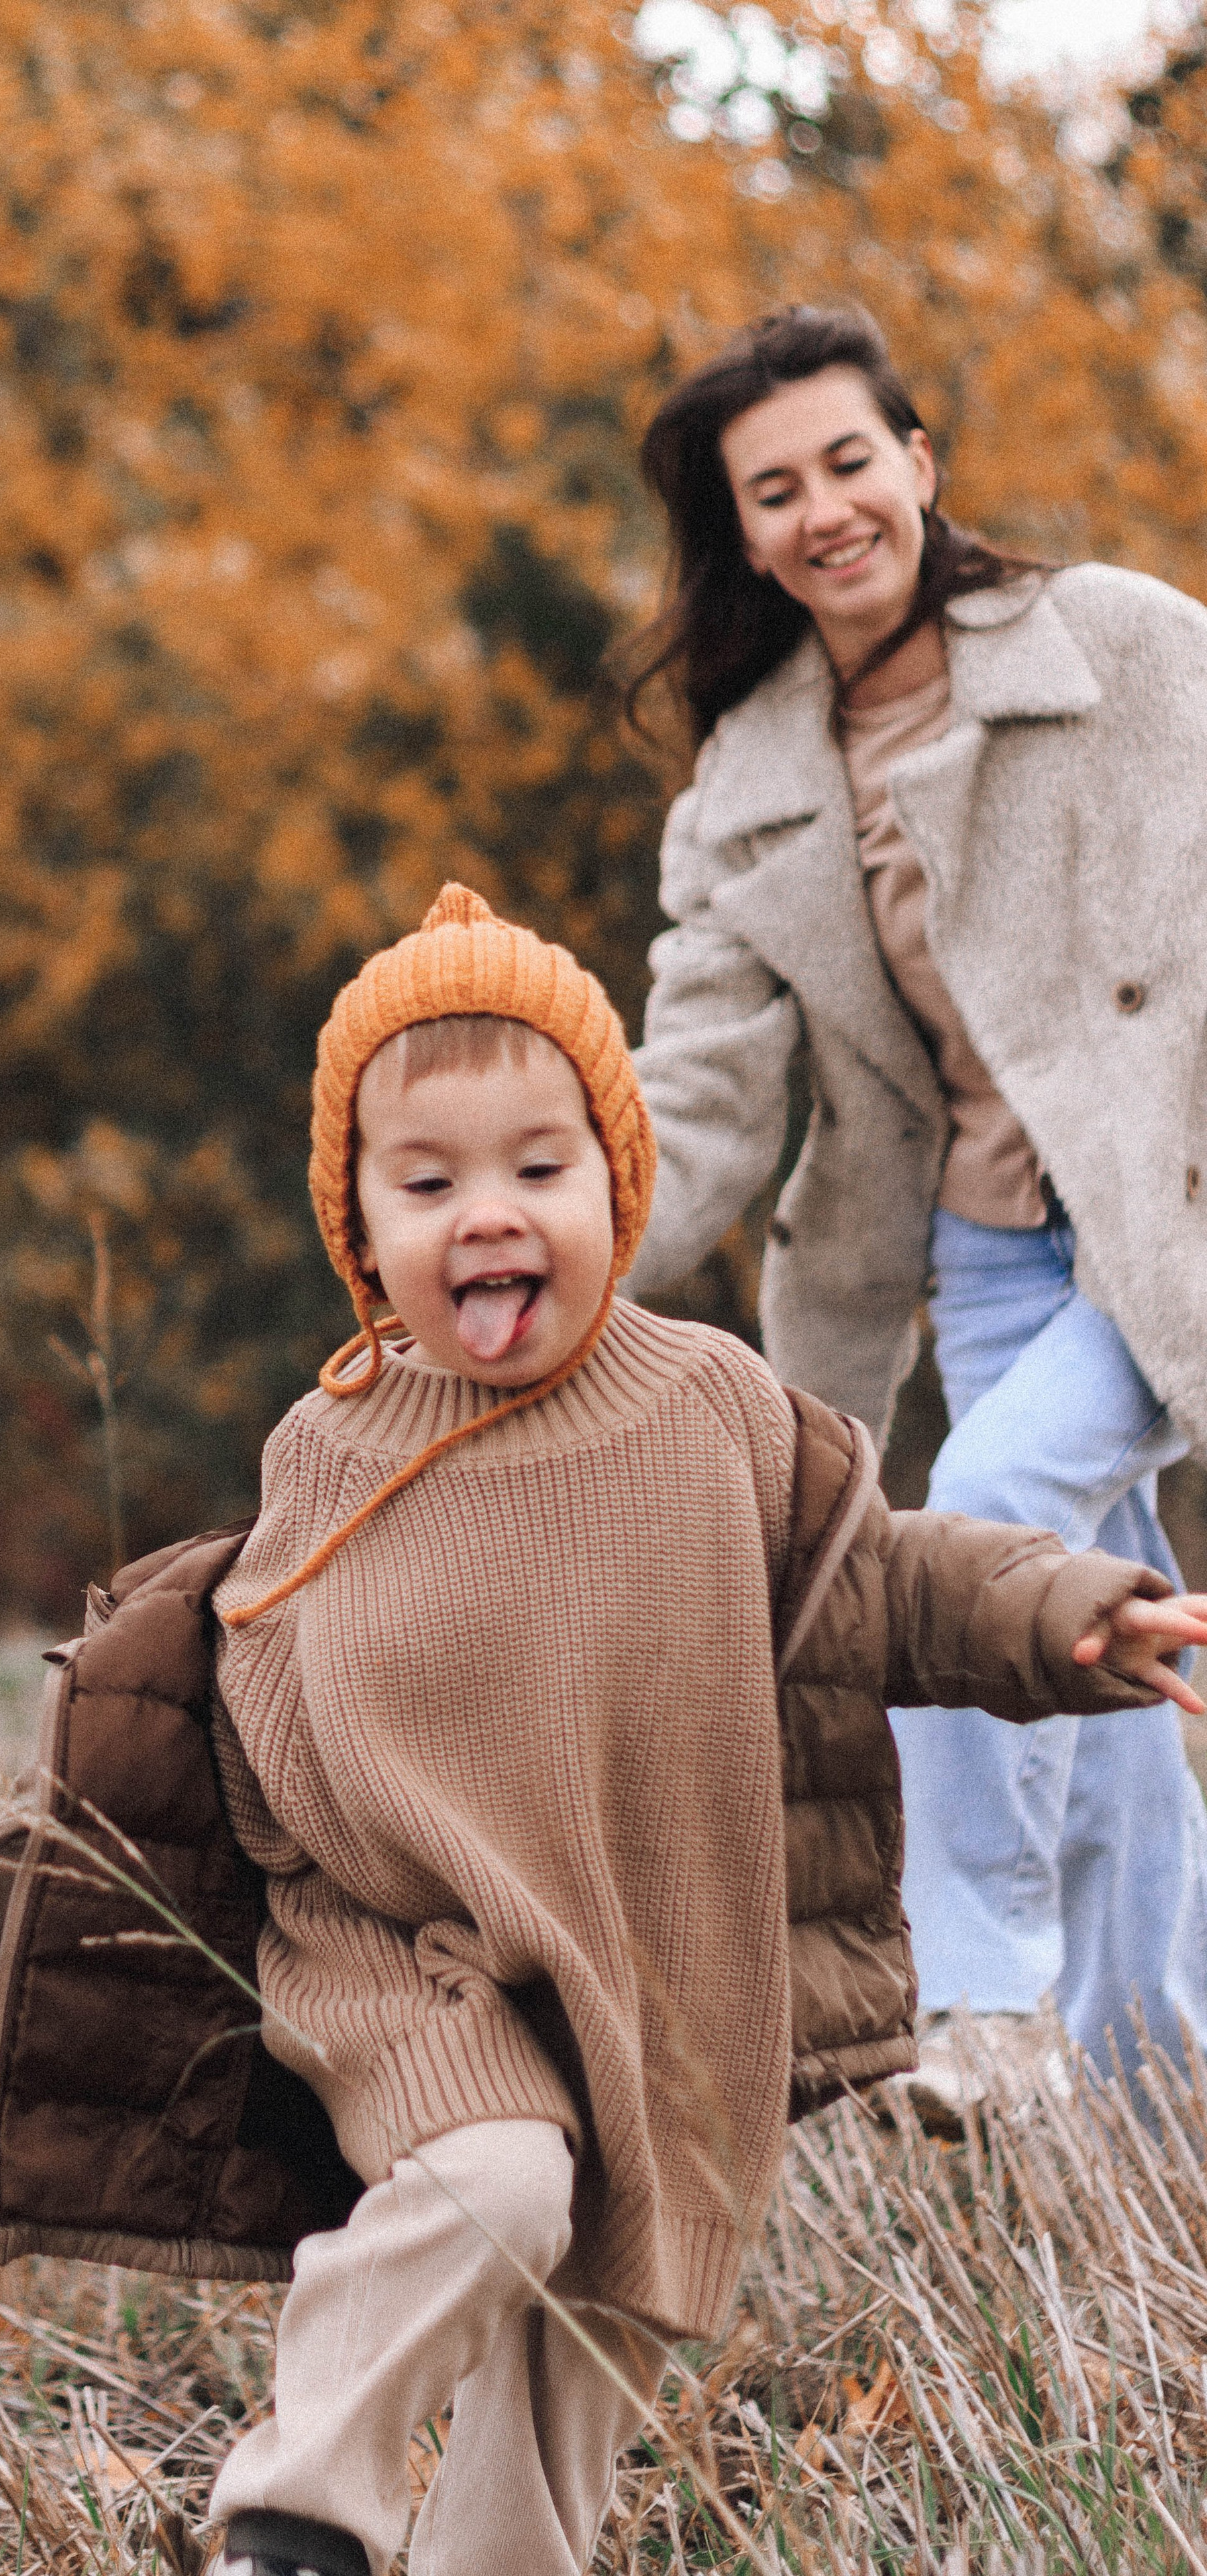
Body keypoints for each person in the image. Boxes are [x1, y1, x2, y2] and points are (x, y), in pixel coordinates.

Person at [201, 881, 1207, 2576]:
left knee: (604, 2302)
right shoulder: (334, 1444)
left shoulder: (711, 1411)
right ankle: (296, 2519)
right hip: (409, 1949)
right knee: (500, 2185)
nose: (487, 1214)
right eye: (426, 1182)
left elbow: (871, 1583)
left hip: (659, 1965)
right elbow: (267, 1699)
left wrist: (1049, 1614)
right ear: (358, 1227)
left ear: (619, 1182)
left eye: (538, 1167)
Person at [618, 303, 1207, 2121]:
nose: (824, 511)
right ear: (746, 535)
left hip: (1166, 1203)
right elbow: (702, 1088)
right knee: (1096, 1639)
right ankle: (1156, 2083)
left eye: (849, 461)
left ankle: (986, 2000)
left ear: (921, 463)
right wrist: (545, 1266)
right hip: (979, 1246)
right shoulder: (750, 789)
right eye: (772, 491)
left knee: (986, 1524)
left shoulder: (1115, 642)